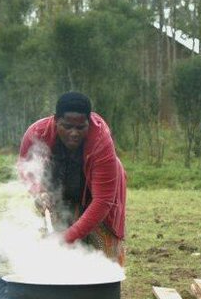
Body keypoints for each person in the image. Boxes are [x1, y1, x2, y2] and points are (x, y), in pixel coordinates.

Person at [18, 92, 127, 264]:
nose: (74, 133)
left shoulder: (101, 141)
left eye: (81, 127)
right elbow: (26, 170)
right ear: (55, 120)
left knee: (103, 255)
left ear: (88, 122)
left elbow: (102, 201)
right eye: (67, 126)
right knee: (53, 244)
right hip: (60, 189)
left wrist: (67, 238)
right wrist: (38, 192)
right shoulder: (37, 133)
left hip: (98, 194)